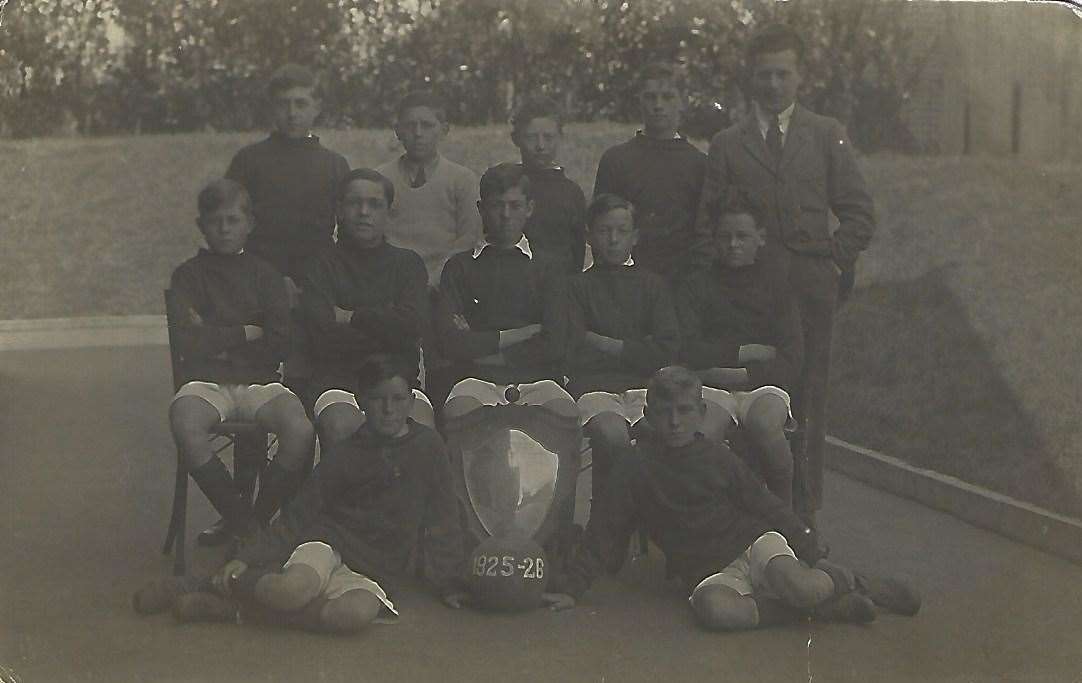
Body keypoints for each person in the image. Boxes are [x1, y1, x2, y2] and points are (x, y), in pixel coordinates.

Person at [543, 367, 920, 630]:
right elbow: (603, 531)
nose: (674, 422)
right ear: (647, 415)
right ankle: (820, 612)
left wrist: (805, 542)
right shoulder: (634, 467)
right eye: (664, 412)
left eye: (684, 411)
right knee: (717, 613)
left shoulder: (716, 457)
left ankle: (852, 582)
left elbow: (764, 504)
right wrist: (573, 589)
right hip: (706, 570)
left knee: (802, 584)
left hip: (751, 544)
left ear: (701, 414)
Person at [135, 355, 470, 633]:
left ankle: (235, 611)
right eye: (378, 399)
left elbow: (444, 517)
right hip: (330, 542)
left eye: (398, 399)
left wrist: (449, 580)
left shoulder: (428, 447)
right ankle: (205, 583)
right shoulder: (348, 452)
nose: (388, 409)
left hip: (378, 566)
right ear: (361, 402)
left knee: (353, 616)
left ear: (412, 401)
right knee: (290, 591)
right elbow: (300, 513)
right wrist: (246, 557)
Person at [691, 24, 876, 525]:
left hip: (810, 289)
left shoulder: (825, 133)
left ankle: (804, 512)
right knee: (741, 398)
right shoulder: (729, 143)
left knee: (808, 399)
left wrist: (832, 259)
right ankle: (741, 510)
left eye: (783, 74)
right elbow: (707, 222)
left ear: (800, 77)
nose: (773, 85)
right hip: (747, 295)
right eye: (764, 75)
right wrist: (722, 279)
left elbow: (859, 212)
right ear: (751, 79)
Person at [168, 179, 314, 542]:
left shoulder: (266, 277)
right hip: (206, 382)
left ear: (250, 223)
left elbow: (280, 342)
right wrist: (247, 332)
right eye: (215, 220)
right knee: (185, 422)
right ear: (202, 225)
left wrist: (217, 336)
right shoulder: (188, 276)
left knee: (300, 430)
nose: (224, 228)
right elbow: (189, 342)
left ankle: (255, 520)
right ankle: (243, 522)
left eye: (233, 219)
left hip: (260, 381)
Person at [678, 192, 803, 507]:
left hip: (761, 386)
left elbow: (790, 358)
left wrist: (732, 370)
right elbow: (689, 350)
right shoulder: (697, 285)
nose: (733, 244)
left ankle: (784, 512)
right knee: (704, 434)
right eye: (725, 236)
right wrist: (746, 352)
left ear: (760, 238)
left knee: (765, 423)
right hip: (711, 388)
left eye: (742, 236)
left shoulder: (778, 286)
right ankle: (710, 517)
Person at [299, 168, 434, 447]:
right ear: (339, 209)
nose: (363, 211)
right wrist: (387, 323)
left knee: (421, 432)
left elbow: (412, 327)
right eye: (354, 203)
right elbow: (322, 336)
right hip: (339, 382)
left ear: (388, 212)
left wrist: (352, 317)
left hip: (397, 382)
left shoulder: (407, 265)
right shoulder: (320, 265)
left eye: (374, 204)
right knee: (342, 427)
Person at [435, 162, 575, 418]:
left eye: (515, 205)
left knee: (564, 416)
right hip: (476, 381)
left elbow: (555, 344)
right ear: (481, 209)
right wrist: (527, 331)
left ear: (530, 208)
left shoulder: (550, 268)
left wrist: (480, 344)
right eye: (497, 205)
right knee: (460, 413)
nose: (506, 215)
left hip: (538, 380)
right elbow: (451, 343)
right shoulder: (460, 267)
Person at [566, 194, 680, 496]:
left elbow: (665, 351)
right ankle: (608, 523)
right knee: (613, 435)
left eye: (622, 231)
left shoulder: (652, 285)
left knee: (660, 434)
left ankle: (646, 524)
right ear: (589, 236)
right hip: (595, 388)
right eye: (604, 231)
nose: (613, 240)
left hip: (645, 387)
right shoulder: (576, 287)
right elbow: (576, 350)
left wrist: (601, 342)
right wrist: (638, 348)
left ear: (635, 237)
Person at [225, 63, 350, 284]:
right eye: (283, 104)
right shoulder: (248, 161)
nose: (292, 113)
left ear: (317, 107)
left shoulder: (334, 165)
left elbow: (348, 232)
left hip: (318, 277)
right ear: (272, 108)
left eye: (301, 104)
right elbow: (228, 226)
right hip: (258, 275)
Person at [592, 63, 707, 285]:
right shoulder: (617, 160)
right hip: (627, 283)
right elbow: (601, 230)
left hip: (682, 284)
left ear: (682, 102)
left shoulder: (698, 164)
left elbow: (704, 236)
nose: (658, 105)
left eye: (667, 97)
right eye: (650, 97)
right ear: (639, 101)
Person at [377, 90, 483, 286]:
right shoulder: (381, 178)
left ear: (444, 130)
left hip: (444, 282)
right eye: (410, 126)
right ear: (398, 131)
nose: (418, 133)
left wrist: (434, 281)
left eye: (427, 126)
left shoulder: (462, 179)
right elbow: (375, 237)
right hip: (390, 281)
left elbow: (467, 239)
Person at [510, 96, 587, 275]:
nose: (540, 146)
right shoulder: (509, 187)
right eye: (531, 137)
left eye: (548, 137)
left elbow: (577, 253)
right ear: (516, 139)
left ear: (560, 137)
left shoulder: (571, 193)